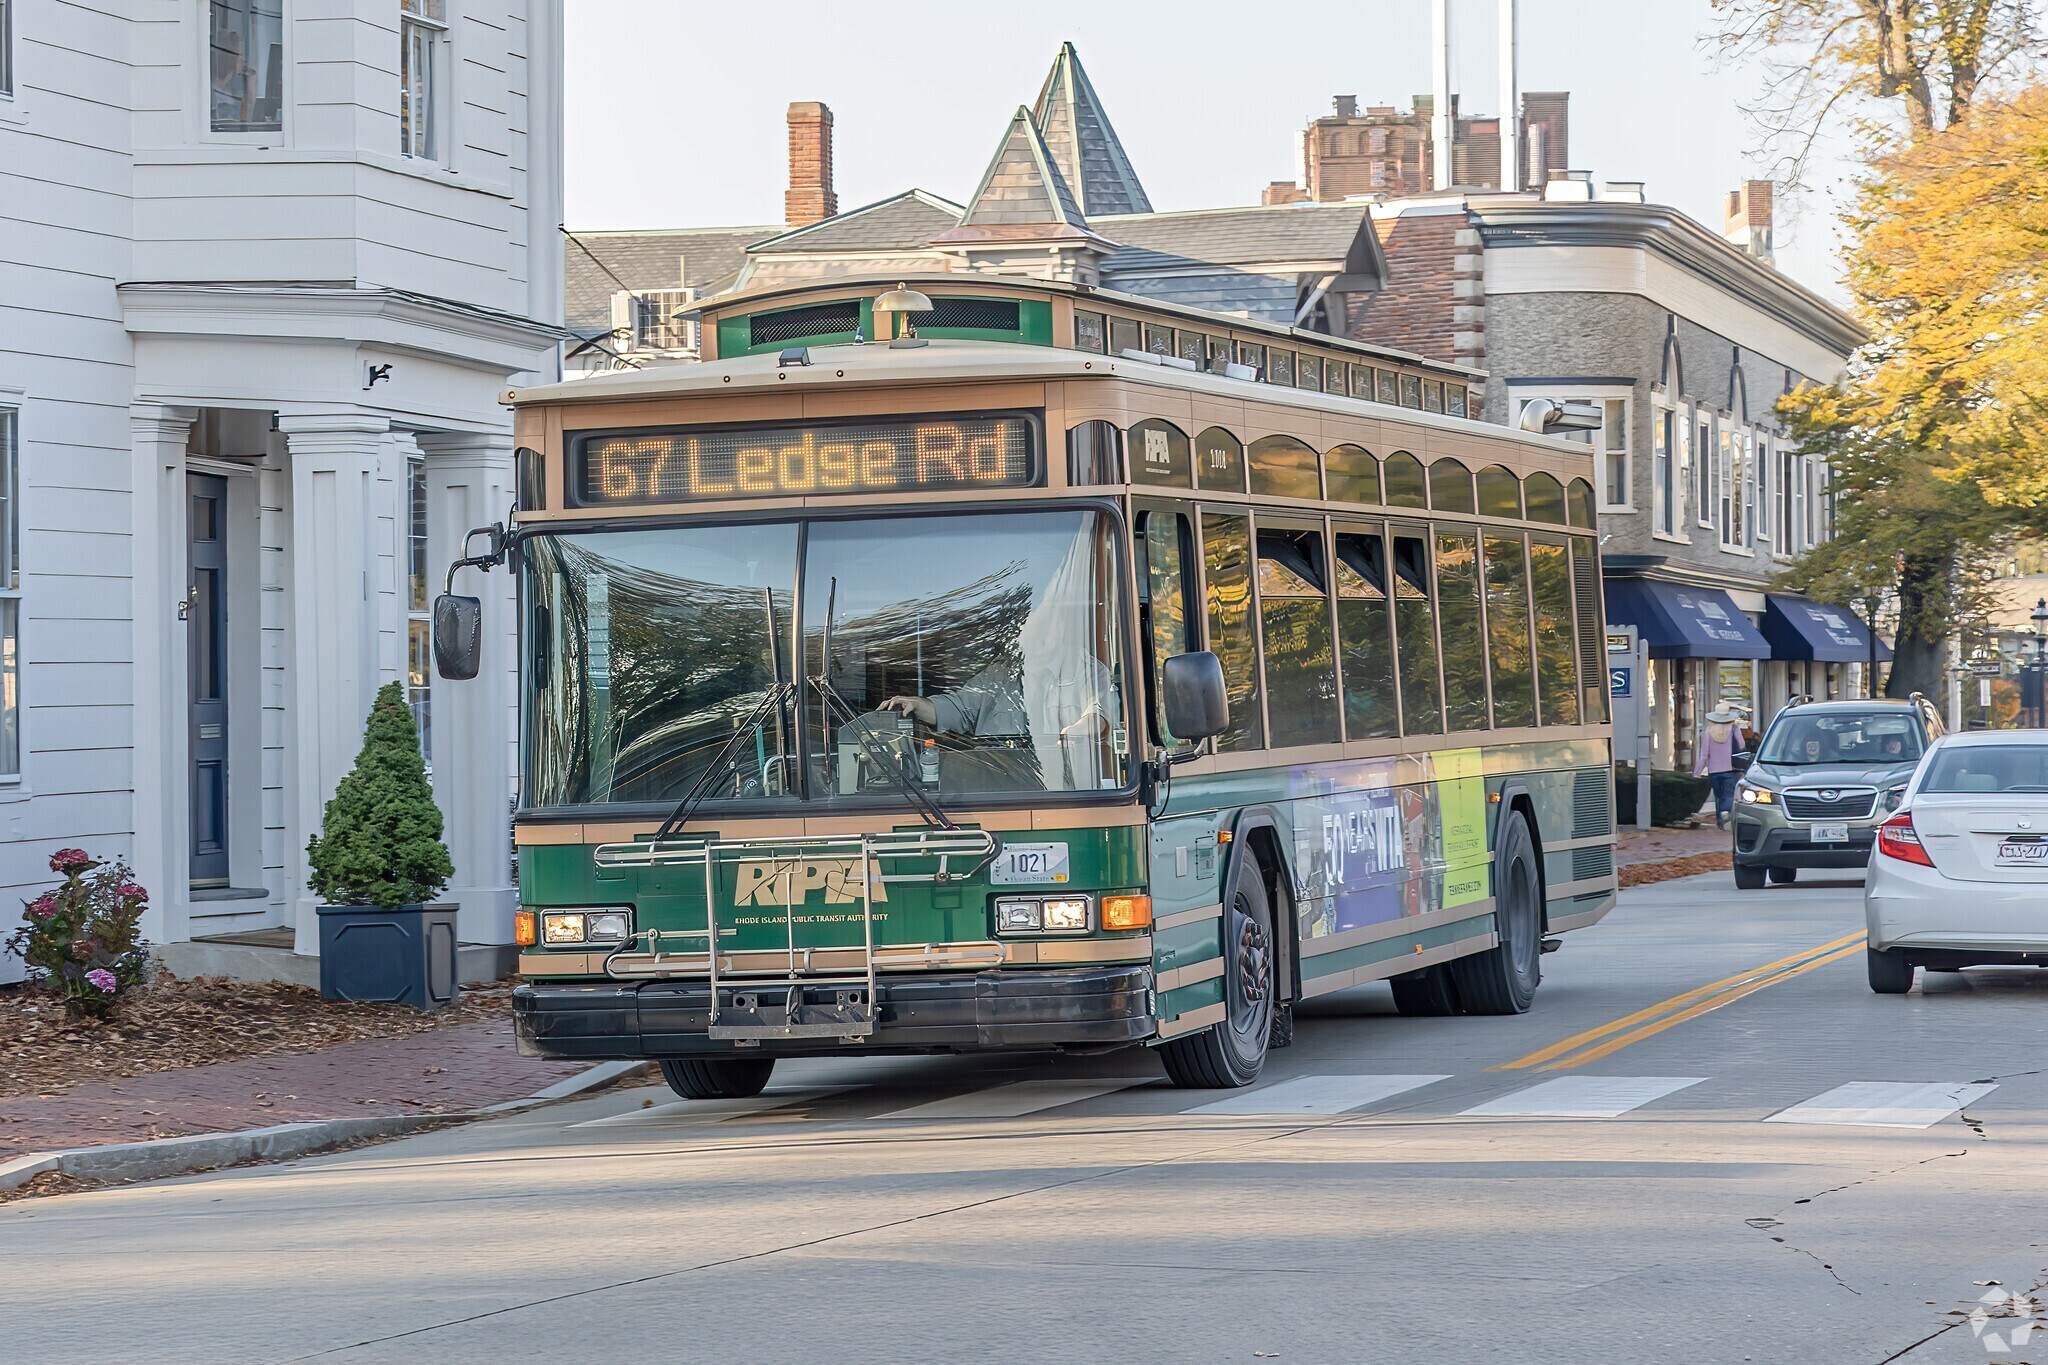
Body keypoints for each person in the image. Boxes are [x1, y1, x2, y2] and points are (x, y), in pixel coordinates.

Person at [1696, 702, 1746, 831]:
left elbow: (1704, 755)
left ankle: (1719, 821)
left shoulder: (1708, 731)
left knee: (1718, 796)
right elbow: (1741, 745)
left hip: (1714, 771)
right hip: (1731, 769)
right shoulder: (1734, 729)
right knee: (1728, 795)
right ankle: (1726, 815)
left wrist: (1697, 772)